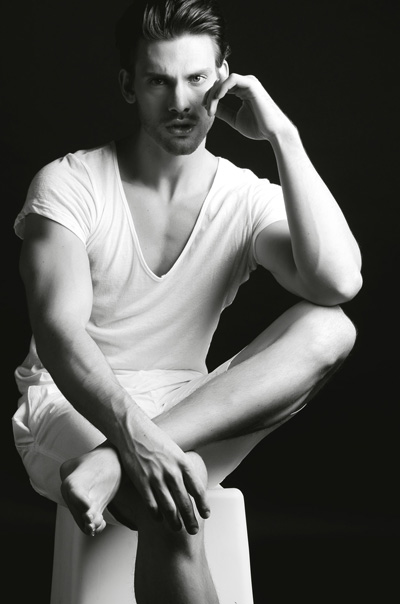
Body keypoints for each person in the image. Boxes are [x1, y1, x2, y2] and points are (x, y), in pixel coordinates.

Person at [12, 1, 362, 602]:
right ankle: (126, 457)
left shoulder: (242, 197)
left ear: (224, 78)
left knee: (331, 328)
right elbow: (59, 334)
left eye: (197, 78)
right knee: (177, 491)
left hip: (192, 407)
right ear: (129, 86)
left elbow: (337, 283)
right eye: (159, 81)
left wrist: (284, 137)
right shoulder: (69, 184)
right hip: (69, 408)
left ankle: (112, 464)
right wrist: (136, 442)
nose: (181, 101)